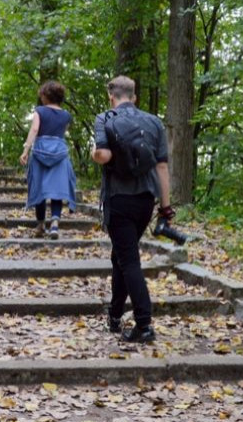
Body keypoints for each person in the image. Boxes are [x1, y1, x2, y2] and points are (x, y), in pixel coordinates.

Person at [91, 76, 172, 343]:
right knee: (121, 256)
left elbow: (102, 155)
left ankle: (144, 324)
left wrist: (96, 153)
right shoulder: (154, 122)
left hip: (119, 198)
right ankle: (114, 315)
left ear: (111, 97)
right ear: (134, 97)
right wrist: (165, 207)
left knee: (128, 260)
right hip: (146, 200)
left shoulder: (105, 118)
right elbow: (161, 167)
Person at [20, 81, 77, 239]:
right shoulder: (66, 115)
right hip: (60, 156)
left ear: (46, 96)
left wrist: (26, 149)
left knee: (40, 190)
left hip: (39, 154)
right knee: (57, 190)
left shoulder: (40, 111)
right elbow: (62, 134)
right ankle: (55, 225)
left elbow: (35, 129)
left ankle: (40, 225)